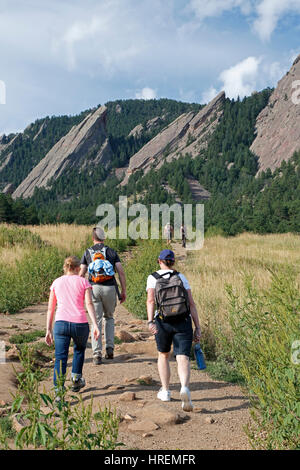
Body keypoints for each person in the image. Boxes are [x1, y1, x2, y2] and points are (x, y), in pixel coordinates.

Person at [146, 249, 201, 411]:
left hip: (163, 322)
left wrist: (150, 322)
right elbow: (191, 304)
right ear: (173, 262)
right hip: (183, 321)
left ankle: (166, 391)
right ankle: (184, 387)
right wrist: (197, 327)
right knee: (182, 356)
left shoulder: (153, 278)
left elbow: (150, 301)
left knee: (163, 355)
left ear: (159, 261)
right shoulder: (181, 277)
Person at [45, 256, 100, 395]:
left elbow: (51, 308)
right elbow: (89, 304)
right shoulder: (83, 282)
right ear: (77, 268)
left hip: (61, 324)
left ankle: (58, 391)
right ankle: (76, 379)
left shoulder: (56, 282)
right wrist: (95, 324)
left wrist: (48, 329)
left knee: (60, 357)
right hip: (80, 323)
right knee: (79, 350)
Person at [79, 226, 126, 364]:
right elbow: (121, 272)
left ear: (93, 238)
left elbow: (81, 273)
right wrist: (123, 291)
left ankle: (96, 354)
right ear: (104, 238)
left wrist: (80, 291)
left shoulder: (88, 252)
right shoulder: (111, 252)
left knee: (96, 320)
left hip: (93, 289)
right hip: (110, 288)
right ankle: (110, 349)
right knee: (109, 318)